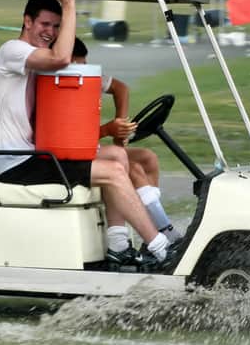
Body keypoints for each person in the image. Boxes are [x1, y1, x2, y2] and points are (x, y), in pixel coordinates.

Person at [0, 0, 180, 270]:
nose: (50, 32)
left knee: (118, 156)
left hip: (36, 155)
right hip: (18, 163)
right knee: (113, 171)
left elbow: (72, 65)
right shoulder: (12, 51)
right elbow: (61, 57)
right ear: (27, 21)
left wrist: (110, 128)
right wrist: (69, 4)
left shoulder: (36, 61)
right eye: (45, 24)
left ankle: (118, 245)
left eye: (56, 26)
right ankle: (161, 248)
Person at [71, 38, 183, 247]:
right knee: (132, 167)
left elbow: (121, 89)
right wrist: (107, 130)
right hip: (76, 152)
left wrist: (120, 128)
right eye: (77, 65)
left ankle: (152, 228)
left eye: (84, 64)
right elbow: (72, 138)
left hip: (92, 147)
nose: (82, 70)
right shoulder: (60, 89)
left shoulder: (86, 76)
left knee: (148, 157)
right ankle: (163, 230)